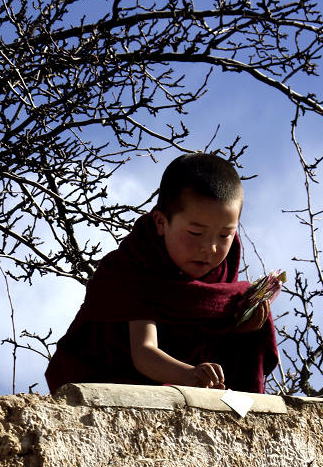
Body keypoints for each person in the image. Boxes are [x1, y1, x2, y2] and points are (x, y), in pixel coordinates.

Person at [45, 152, 278, 395]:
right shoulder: (137, 267)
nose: (210, 248)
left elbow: (210, 338)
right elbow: (145, 352)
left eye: (224, 235)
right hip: (116, 378)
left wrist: (243, 327)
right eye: (196, 233)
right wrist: (189, 375)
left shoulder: (222, 271)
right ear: (160, 222)